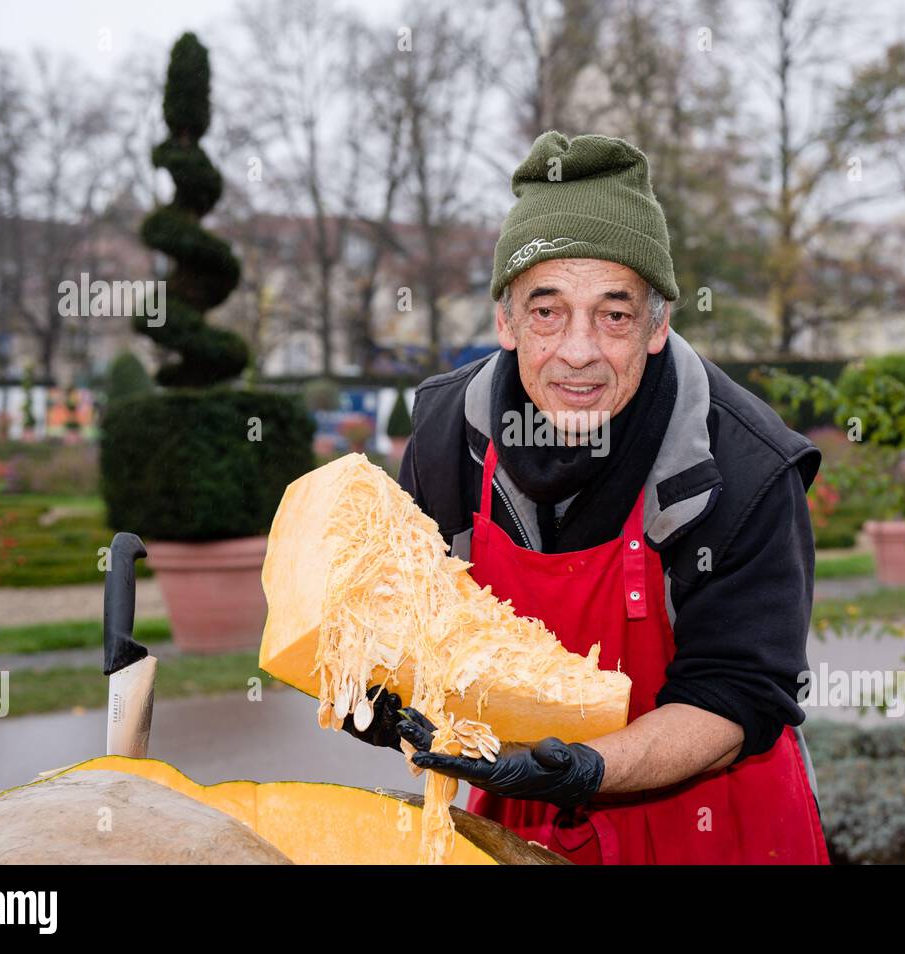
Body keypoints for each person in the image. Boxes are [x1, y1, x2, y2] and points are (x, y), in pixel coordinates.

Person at [345, 131, 828, 865]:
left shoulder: (745, 465)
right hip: (518, 817)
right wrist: (377, 694)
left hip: (715, 825)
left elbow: (736, 697)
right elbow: (411, 622)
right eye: (547, 312)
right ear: (504, 320)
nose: (579, 350)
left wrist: (588, 767)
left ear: (658, 325)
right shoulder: (448, 434)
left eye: (615, 314)